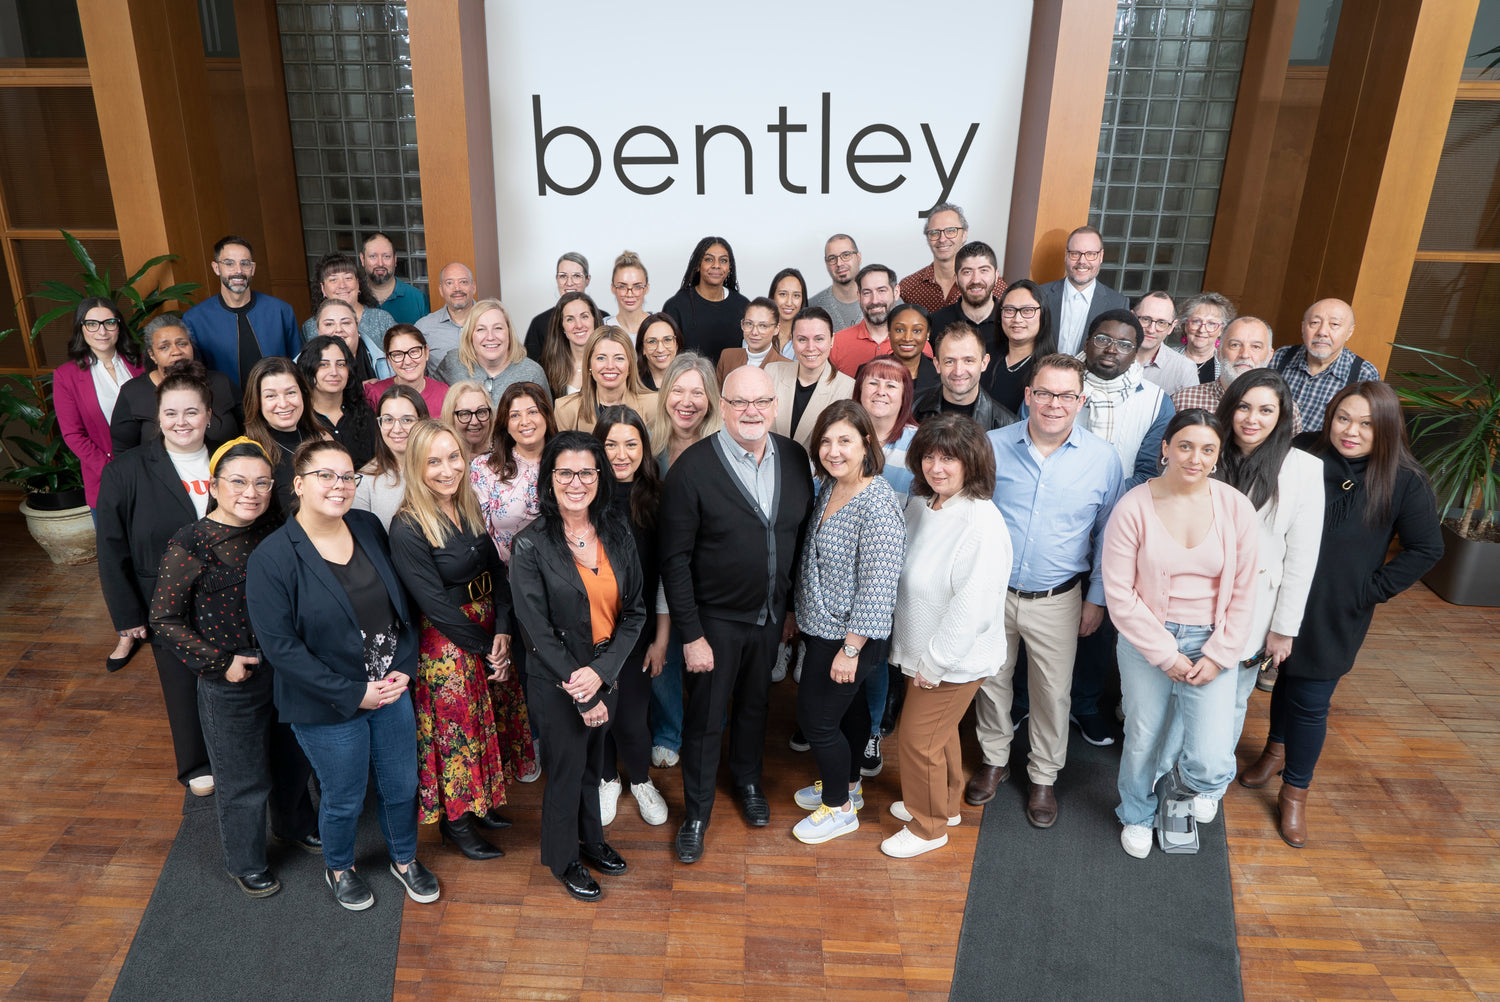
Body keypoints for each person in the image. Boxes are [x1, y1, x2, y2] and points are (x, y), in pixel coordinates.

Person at [1239, 382, 1441, 847]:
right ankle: (1274, 750)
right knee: (1281, 677)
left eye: (1368, 424)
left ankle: (1295, 792)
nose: (1351, 431)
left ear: (1387, 428)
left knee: (1311, 698)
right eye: (1343, 418)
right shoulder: (1302, 450)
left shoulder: (1405, 477)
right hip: (1279, 594)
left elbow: (1427, 548)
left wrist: (1368, 590)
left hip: (1336, 608)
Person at [245, 439, 440, 911]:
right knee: (344, 794)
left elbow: (402, 610)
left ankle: (404, 859)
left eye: (347, 476)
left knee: (401, 785)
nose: (339, 485)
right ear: (298, 485)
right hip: (326, 702)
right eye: (325, 476)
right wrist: (356, 694)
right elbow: (281, 649)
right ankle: (339, 868)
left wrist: (404, 671)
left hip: (389, 688)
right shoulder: (272, 557)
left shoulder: (368, 526)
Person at [148, 437, 318, 897]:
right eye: (239, 482)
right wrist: (220, 663)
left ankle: (294, 825)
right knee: (243, 776)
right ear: (215, 485)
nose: (252, 492)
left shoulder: (277, 528)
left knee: (293, 757)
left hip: (285, 669)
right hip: (232, 679)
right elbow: (163, 619)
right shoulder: (192, 540)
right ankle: (246, 861)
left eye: (262, 483)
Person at [659, 365, 814, 863]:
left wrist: (788, 607)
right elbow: (674, 559)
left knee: (755, 708)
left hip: (769, 619)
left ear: (774, 406)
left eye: (761, 402)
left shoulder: (793, 457)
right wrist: (691, 634)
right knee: (705, 719)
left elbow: (796, 538)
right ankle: (697, 812)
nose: (752, 412)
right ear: (721, 406)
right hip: (714, 623)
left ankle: (748, 783)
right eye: (740, 402)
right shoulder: (693, 469)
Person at [969, 355, 1122, 824]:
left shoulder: (1103, 459)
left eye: (1065, 395)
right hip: (993, 593)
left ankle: (1043, 777)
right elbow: (970, 518)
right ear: (1028, 395)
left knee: (1052, 693)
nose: (1053, 404)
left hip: (1058, 597)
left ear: (1081, 400)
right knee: (992, 683)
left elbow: (1108, 537)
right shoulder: (991, 446)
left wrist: (1095, 599)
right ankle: (994, 761)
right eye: (1044, 393)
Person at [1103, 409, 1259, 859]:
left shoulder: (1235, 507)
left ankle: (1175, 793)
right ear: (1165, 448)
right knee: (1145, 735)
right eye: (1186, 446)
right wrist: (1164, 652)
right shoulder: (1134, 506)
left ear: (1217, 457)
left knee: (1211, 763)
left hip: (1213, 640)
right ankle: (1135, 811)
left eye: (1207, 449)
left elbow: (1245, 590)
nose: (1195, 457)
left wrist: (1219, 653)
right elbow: (1119, 592)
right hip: (1147, 637)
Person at [1163, 370, 1322, 794]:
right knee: (1178, 699)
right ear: (1229, 407)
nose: (1252, 418)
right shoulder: (1206, 453)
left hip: (1254, 608)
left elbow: (1302, 558)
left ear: (1282, 415)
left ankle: (1207, 787)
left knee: (1231, 699)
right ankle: (1165, 780)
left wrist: (1284, 629)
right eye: (1244, 406)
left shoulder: (1304, 469)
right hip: (1192, 600)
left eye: (1266, 409)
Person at [510, 431, 646, 900]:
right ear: (550, 479)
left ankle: (592, 842)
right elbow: (537, 631)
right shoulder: (530, 545)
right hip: (557, 680)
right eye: (565, 472)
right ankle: (564, 858)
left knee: (595, 766)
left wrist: (604, 673)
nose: (576, 481)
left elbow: (636, 613)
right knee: (566, 773)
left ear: (599, 477)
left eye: (586, 472)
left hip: (605, 669)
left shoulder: (616, 531)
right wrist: (582, 687)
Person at [883, 414, 1013, 858]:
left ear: (971, 463)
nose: (936, 468)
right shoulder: (924, 505)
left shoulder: (981, 522)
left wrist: (935, 663)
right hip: (919, 648)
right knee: (940, 734)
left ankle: (928, 826)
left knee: (917, 741)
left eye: (949, 459)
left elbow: (971, 607)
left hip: (951, 658)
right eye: (930, 457)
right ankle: (947, 805)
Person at [389, 420, 513, 860]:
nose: (447, 469)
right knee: (453, 733)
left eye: (453, 457)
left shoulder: (469, 503)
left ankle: (479, 806)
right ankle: (455, 824)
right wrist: (484, 648)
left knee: (482, 724)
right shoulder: (407, 527)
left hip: (485, 627)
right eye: (434, 461)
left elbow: (496, 570)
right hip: (446, 643)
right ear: (416, 466)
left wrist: (502, 630)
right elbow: (435, 606)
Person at [96, 362, 218, 793]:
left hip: (229, 595)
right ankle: (195, 763)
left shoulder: (230, 458)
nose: (181, 422)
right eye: (171, 413)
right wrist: (127, 614)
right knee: (182, 684)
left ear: (208, 414)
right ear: (157, 417)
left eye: (191, 412)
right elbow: (111, 548)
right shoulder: (126, 471)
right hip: (164, 602)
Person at [789, 401, 905, 845]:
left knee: (817, 719)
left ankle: (838, 809)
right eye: (826, 441)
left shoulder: (877, 504)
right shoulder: (829, 487)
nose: (833, 450)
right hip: (823, 627)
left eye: (844, 441)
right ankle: (850, 786)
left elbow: (878, 586)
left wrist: (851, 649)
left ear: (866, 444)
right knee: (851, 711)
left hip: (851, 636)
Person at [592, 406, 672, 827]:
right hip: (592, 630)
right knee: (598, 712)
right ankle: (608, 779)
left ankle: (640, 780)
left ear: (645, 447)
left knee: (632, 716)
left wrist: (661, 639)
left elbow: (665, 577)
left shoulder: (657, 500)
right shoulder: (585, 497)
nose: (621, 454)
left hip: (639, 631)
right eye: (610, 444)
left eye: (631, 443)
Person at [470, 382, 553, 785]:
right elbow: (478, 535)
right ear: (504, 421)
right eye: (515, 414)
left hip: (563, 586)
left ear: (546, 415)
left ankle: (568, 736)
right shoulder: (485, 469)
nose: (525, 421)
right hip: (508, 586)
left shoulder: (565, 458)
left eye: (533, 411)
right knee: (526, 668)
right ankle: (533, 740)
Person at [647, 352, 722, 769]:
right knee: (664, 654)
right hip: (657, 571)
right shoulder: (649, 450)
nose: (687, 401)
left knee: (707, 659)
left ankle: (707, 730)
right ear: (665, 395)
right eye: (678, 390)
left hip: (707, 577)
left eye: (697, 391)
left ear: (710, 398)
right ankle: (667, 732)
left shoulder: (721, 451)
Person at [54, 297, 144, 515]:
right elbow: (73, 434)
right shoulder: (66, 376)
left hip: (153, 469)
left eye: (109, 323)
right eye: (92, 324)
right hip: (106, 477)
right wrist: (110, 469)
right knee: (116, 547)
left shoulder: (142, 363)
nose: (102, 331)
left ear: (118, 326)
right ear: (81, 328)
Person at [111, 313, 242, 456]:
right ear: (152, 355)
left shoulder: (220, 382)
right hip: (159, 476)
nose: (176, 351)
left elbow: (250, 427)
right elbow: (122, 453)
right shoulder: (133, 392)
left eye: (182, 343)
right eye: (164, 347)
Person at [182, 235, 301, 388]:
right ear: (216, 268)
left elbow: (297, 365)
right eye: (229, 263)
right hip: (223, 407)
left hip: (277, 404)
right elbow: (195, 377)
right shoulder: (195, 319)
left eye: (245, 264)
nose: (238, 271)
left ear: (253, 269)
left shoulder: (280, 311)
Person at [1078, 310, 1175, 490]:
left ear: (1135, 355)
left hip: (1118, 509)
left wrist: (1097, 499)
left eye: (1124, 345)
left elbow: (1149, 474)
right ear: (1086, 344)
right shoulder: (1055, 387)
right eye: (1102, 339)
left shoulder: (1157, 402)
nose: (1111, 350)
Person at [1173, 316, 1304, 434]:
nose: (1245, 354)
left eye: (1256, 347)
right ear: (1218, 352)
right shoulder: (1182, 401)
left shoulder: (1286, 409)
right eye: (1235, 345)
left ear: (1270, 356)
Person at [1270, 298, 1381, 433]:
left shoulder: (1364, 373)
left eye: (1334, 324)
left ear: (1349, 332)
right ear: (1303, 327)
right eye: (1315, 323)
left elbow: (1365, 429)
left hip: (1319, 453)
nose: (1322, 332)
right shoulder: (1281, 357)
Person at [242, 356, 328, 517]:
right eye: (270, 396)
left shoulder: (319, 436)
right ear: (257, 401)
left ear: (303, 394)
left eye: (290, 392)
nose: (283, 403)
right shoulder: (249, 454)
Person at [767, 307, 856, 450]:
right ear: (792, 339)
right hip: (770, 467)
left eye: (819, 339)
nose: (810, 347)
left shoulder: (848, 388)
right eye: (802, 339)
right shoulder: (772, 372)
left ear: (832, 340)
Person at [435, 298, 549, 407]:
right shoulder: (452, 363)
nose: (490, 337)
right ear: (470, 335)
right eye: (481, 329)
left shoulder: (532, 373)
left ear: (509, 332)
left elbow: (546, 420)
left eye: (498, 328)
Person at [298, 252, 397, 374]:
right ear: (323, 288)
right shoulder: (309, 327)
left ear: (358, 284)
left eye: (348, 278)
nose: (342, 285)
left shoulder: (382, 319)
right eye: (333, 279)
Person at [912, 321, 1018, 432]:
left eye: (968, 361)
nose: (958, 371)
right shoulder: (910, 409)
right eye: (949, 361)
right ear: (937, 365)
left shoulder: (1008, 426)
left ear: (984, 363)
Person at [1039, 225, 1128, 356]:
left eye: (1091, 254)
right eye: (1075, 254)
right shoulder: (1040, 294)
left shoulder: (1118, 304)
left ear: (1101, 256)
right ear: (1066, 255)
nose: (1082, 261)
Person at [553, 326, 658, 432]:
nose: (610, 366)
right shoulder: (565, 409)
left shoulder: (654, 405)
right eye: (601, 358)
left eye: (619, 358)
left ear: (630, 366)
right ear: (588, 364)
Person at [662, 237, 750, 362]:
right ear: (698, 265)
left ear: (729, 267)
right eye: (709, 259)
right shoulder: (676, 306)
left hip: (732, 380)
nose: (716, 266)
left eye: (723, 260)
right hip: (688, 380)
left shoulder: (743, 306)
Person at [354, 384, 428, 529]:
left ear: (423, 422)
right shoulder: (364, 482)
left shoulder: (441, 470)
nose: (397, 429)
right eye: (388, 420)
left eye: (407, 420)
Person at [299, 335, 377, 471]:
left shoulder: (364, 414)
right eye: (324, 364)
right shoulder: (299, 419)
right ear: (309, 369)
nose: (334, 372)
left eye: (341, 364)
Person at [982, 279, 1057, 415]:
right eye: (1010, 310)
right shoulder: (983, 353)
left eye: (1027, 310)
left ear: (1043, 314)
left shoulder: (1051, 369)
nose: (1017, 319)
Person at [854, 357, 920, 499]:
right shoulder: (839, 433)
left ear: (904, 395)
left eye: (891, 386)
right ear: (859, 390)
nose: (881, 392)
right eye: (873, 383)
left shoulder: (920, 442)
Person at [929, 241, 1006, 356]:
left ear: (996, 276)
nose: (976, 280)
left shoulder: (1010, 321)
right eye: (967, 272)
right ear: (956, 278)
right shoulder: (936, 322)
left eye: (984, 270)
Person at [829, 264, 902, 376]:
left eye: (881, 290)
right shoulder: (836, 344)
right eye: (867, 293)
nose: (875, 300)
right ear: (859, 296)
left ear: (896, 292)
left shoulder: (916, 343)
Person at [363, 324, 449, 417]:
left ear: (426, 352)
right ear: (388, 359)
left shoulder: (444, 393)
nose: (407, 361)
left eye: (414, 351)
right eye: (398, 354)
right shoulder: (373, 394)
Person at [303, 295, 391, 385]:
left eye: (345, 323)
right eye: (329, 324)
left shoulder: (388, 361)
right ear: (318, 329)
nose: (338, 329)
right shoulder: (301, 366)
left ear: (357, 326)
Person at [898, 202, 968, 312]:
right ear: (927, 238)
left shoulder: (986, 285)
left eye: (950, 231)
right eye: (934, 233)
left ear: (964, 235)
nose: (942, 239)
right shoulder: (907, 288)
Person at [524, 252, 593, 361]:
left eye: (576, 276)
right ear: (557, 279)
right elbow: (531, 370)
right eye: (563, 276)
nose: (569, 283)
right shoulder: (539, 323)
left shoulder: (603, 318)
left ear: (587, 280)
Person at [416, 262, 478, 374]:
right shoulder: (424, 328)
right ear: (441, 290)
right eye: (449, 283)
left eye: (463, 282)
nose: (457, 288)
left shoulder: (494, 321)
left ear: (473, 287)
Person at [540, 291, 602, 399]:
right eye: (570, 319)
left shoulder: (611, 364)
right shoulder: (547, 368)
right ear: (561, 326)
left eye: (584, 317)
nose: (578, 325)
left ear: (594, 320)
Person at [1133, 291, 1197, 395]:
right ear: (1132, 317)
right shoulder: (1110, 354)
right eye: (1145, 319)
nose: (1151, 329)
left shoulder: (1184, 369)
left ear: (1172, 326)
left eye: (1161, 323)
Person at [359, 231, 429, 325]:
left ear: (395, 260)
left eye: (386, 256)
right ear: (362, 259)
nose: (380, 263)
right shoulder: (353, 296)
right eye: (373, 256)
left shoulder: (417, 299)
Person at [715, 297, 784, 386]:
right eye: (749, 324)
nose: (754, 332)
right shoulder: (727, 357)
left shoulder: (786, 366)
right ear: (742, 324)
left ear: (776, 329)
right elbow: (716, 398)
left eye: (763, 326)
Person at [1176, 292, 1236, 385]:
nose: (1202, 330)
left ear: (1222, 330)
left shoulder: (1228, 366)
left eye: (1211, 323)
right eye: (1196, 321)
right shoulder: (1167, 359)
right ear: (1185, 325)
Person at [808, 234, 864, 333]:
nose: (839, 263)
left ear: (858, 258)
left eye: (846, 255)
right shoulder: (811, 308)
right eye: (832, 258)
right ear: (826, 264)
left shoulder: (887, 301)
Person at [885, 304, 940, 400]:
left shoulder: (941, 375)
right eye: (900, 330)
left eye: (917, 331)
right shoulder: (867, 371)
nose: (907, 338)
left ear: (928, 334)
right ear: (889, 332)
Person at [442, 381, 496, 456]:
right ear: (450, 417)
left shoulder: (505, 453)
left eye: (481, 412)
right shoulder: (439, 456)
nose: (475, 422)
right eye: (465, 414)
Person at [607, 251, 651, 335]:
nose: (630, 294)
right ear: (613, 288)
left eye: (637, 287)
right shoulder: (602, 328)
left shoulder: (659, 326)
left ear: (646, 288)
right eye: (622, 287)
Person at [635, 312, 681, 392]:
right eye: (652, 341)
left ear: (676, 345)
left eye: (667, 340)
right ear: (642, 348)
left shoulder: (692, 380)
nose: (660, 349)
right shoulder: (630, 384)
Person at [768, 268, 808, 358]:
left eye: (796, 295)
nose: (789, 303)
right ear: (772, 297)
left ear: (802, 300)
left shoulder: (810, 339)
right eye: (783, 294)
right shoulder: (756, 333)